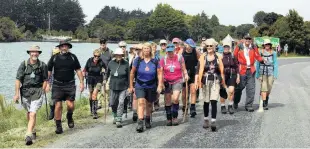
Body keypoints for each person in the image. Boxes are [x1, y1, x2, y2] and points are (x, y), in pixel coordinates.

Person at [47, 40, 84, 134]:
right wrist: (47, 83)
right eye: (62, 46)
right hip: (57, 84)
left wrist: (81, 82)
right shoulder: (54, 58)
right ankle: (58, 126)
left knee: (70, 105)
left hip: (70, 84)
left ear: (68, 47)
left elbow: (78, 70)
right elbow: (49, 71)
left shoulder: (73, 57)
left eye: (66, 46)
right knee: (58, 106)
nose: (64, 48)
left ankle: (69, 116)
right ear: (59, 48)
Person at [13, 45, 48, 145]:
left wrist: (43, 89)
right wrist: (16, 94)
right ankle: (32, 131)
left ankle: (28, 135)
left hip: (37, 91)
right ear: (29, 53)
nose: (34, 54)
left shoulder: (42, 65)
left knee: (33, 113)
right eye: (32, 52)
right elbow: (18, 79)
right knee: (29, 113)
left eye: (36, 52)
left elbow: (45, 79)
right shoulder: (23, 64)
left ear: (39, 53)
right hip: (25, 92)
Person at [129, 42, 162, 132]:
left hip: (151, 85)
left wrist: (159, 85)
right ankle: (140, 123)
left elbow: (159, 73)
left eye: (148, 48)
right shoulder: (138, 60)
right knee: (141, 102)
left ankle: (147, 118)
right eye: (145, 48)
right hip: (140, 85)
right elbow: (132, 73)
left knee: (149, 104)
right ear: (142, 50)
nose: (146, 50)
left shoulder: (155, 61)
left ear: (150, 50)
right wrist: (131, 85)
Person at [195, 39, 225, 131]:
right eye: (207, 46)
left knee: (213, 101)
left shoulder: (218, 57)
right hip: (205, 81)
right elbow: (198, 70)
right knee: (206, 101)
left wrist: (223, 82)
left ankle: (213, 121)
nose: (209, 48)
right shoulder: (202, 57)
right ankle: (206, 119)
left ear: (214, 47)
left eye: (210, 46)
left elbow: (221, 70)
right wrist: (197, 81)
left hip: (215, 82)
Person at [233, 35, 264, 112]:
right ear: (244, 39)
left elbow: (257, 55)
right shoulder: (239, 46)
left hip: (251, 70)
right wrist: (235, 68)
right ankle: (235, 101)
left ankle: (249, 105)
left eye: (249, 39)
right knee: (239, 87)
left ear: (251, 40)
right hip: (242, 70)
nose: (248, 40)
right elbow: (235, 56)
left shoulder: (253, 46)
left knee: (251, 89)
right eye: (246, 38)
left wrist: (262, 60)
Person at [160, 43, 189, 126]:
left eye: (171, 52)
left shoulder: (179, 57)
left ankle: (175, 117)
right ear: (166, 52)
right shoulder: (163, 59)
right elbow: (161, 72)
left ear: (174, 51)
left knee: (175, 98)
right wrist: (161, 82)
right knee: (168, 100)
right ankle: (169, 118)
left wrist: (186, 74)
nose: (170, 54)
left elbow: (183, 68)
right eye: (168, 52)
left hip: (177, 80)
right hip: (167, 81)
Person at [104, 48, 130, 128]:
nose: (119, 56)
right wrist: (105, 79)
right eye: (117, 55)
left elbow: (129, 76)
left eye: (120, 55)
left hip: (123, 87)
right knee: (112, 103)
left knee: (121, 102)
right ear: (115, 55)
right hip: (113, 86)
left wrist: (129, 87)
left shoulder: (126, 64)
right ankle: (115, 115)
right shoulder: (111, 63)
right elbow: (107, 73)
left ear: (122, 55)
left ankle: (119, 119)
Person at [256, 39, 278, 110]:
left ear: (270, 45)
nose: (267, 46)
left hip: (271, 72)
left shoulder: (274, 53)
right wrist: (258, 74)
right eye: (266, 44)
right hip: (263, 73)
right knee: (264, 88)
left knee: (269, 88)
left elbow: (275, 64)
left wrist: (275, 74)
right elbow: (258, 63)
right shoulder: (260, 52)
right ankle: (265, 103)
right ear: (264, 45)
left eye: (268, 44)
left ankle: (266, 98)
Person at [83, 49, 106, 119]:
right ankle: (91, 110)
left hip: (98, 79)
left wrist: (104, 72)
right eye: (95, 56)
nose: (96, 58)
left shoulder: (101, 62)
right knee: (90, 94)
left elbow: (106, 69)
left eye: (98, 56)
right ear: (93, 55)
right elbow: (85, 69)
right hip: (90, 79)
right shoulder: (89, 60)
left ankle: (95, 112)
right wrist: (84, 74)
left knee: (94, 94)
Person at [181, 38, 201, 118]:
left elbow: (200, 62)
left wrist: (198, 73)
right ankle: (184, 106)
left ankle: (193, 108)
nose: (190, 48)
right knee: (184, 93)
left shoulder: (195, 52)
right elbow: (179, 64)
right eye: (189, 46)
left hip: (193, 73)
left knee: (193, 91)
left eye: (191, 46)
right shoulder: (181, 52)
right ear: (186, 45)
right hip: (184, 74)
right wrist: (184, 73)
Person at [219, 42, 239, 114]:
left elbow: (237, 66)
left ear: (229, 48)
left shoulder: (233, 56)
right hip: (223, 74)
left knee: (231, 90)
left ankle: (230, 106)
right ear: (223, 48)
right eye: (225, 47)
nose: (226, 48)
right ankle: (223, 106)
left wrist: (238, 76)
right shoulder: (220, 56)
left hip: (232, 74)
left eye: (227, 47)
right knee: (223, 91)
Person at [98, 38, 113, 109]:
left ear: (106, 43)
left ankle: (109, 101)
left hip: (108, 73)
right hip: (99, 73)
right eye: (101, 43)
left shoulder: (110, 52)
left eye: (104, 43)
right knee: (99, 88)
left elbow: (113, 62)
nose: (102, 44)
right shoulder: (97, 51)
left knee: (107, 88)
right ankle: (99, 103)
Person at [47, 48, 60, 120]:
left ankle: (56, 116)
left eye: (57, 54)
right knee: (50, 100)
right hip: (51, 83)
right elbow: (47, 74)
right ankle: (52, 110)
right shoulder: (49, 62)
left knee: (58, 100)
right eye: (54, 54)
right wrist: (47, 84)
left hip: (59, 84)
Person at [150, 42, 161, 111]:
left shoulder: (157, 55)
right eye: (152, 47)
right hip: (150, 74)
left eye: (154, 47)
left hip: (157, 74)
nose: (153, 49)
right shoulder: (148, 55)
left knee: (157, 90)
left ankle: (156, 102)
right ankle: (150, 103)